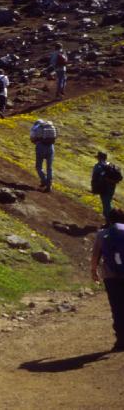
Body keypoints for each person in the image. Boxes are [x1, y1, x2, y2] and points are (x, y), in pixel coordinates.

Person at [89, 207, 124, 352]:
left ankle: (121, 340)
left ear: (108, 219)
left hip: (110, 276)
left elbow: (96, 256)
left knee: (117, 308)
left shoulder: (102, 234)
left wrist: (94, 271)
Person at [93, 151, 123, 222]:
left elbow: (96, 177)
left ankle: (111, 221)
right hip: (112, 187)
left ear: (99, 158)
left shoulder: (98, 166)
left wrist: (96, 188)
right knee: (108, 202)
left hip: (104, 187)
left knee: (106, 204)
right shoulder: (110, 165)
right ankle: (112, 219)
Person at [30, 118, 57, 192]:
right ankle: (49, 185)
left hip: (40, 147)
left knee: (38, 166)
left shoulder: (36, 128)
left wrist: (37, 142)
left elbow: (32, 139)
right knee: (49, 168)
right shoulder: (50, 127)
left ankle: (44, 180)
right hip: (51, 147)